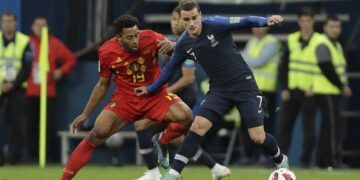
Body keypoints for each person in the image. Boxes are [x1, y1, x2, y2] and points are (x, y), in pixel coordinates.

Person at [60, 15, 228, 180]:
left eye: (136, 35)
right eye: (130, 37)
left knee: (186, 117)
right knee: (96, 134)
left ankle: (161, 142)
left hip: (155, 95)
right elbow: (103, 84)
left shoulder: (151, 38)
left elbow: (179, 53)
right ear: (119, 37)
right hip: (126, 99)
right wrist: (85, 114)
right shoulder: (106, 51)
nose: (135, 40)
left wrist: (177, 48)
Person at [135, 0, 288, 179]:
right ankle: (174, 173)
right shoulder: (183, 43)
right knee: (198, 126)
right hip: (219, 90)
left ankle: (280, 159)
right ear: (182, 20)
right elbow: (169, 70)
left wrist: (264, 21)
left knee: (257, 137)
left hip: (244, 87)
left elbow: (244, 21)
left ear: (200, 15)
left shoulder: (216, 24)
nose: (191, 23)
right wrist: (151, 88)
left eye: (194, 18)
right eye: (186, 19)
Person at [135, 7, 229, 180]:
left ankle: (153, 173)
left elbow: (188, 78)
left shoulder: (187, 43)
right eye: (173, 19)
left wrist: (161, 93)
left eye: (179, 19)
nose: (175, 22)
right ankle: (215, 168)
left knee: (141, 125)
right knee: (178, 140)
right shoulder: (172, 42)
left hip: (183, 96)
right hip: (174, 96)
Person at [26, 16, 77, 162]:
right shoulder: (27, 42)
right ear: (32, 27)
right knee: (31, 127)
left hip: (48, 92)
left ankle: (47, 157)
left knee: (48, 127)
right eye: (37, 25)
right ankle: (32, 157)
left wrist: (61, 71)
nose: (40, 28)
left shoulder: (54, 43)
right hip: (30, 91)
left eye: (43, 25)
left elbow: (71, 58)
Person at [278, 7, 323, 168]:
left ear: (313, 21)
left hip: (309, 92)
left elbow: (323, 68)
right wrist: (284, 88)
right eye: (302, 20)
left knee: (309, 131)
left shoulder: (319, 41)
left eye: (308, 20)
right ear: (298, 22)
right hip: (291, 92)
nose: (305, 24)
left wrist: (314, 87)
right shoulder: (291, 39)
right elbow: (283, 66)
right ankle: (280, 162)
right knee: (284, 128)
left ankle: (305, 161)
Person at [305, 15, 352, 168]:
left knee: (329, 126)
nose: (335, 30)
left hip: (331, 91)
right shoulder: (323, 43)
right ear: (325, 27)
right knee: (332, 126)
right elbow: (326, 67)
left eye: (338, 27)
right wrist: (341, 86)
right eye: (332, 26)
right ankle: (332, 159)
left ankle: (323, 161)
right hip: (325, 91)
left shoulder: (335, 44)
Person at [241, 27, 281, 165]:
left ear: (267, 28)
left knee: (265, 125)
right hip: (250, 89)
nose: (257, 29)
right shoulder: (252, 41)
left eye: (260, 26)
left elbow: (258, 61)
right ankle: (247, 157)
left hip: (266, 90)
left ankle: (267, 157)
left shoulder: (272, 42)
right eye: (255, 26)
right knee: (246, 123)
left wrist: (243, 58)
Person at [0, 12, 32, 165]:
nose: (7, 24)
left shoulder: (25, 41)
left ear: (16, 23)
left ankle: (13, 157)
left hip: (18, 89)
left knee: (19, 125)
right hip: (0, 87)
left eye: (10, 21)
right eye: (4, 21)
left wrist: (12, 84)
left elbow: (27, 67)